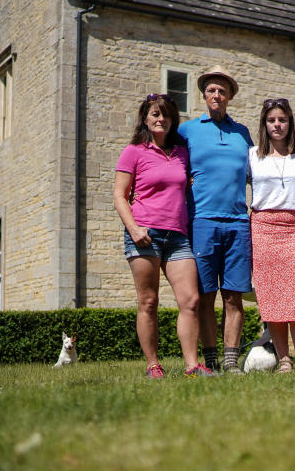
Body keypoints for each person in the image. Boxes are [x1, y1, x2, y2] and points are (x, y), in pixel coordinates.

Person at [113, 94, 214, 378]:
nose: (161, 119)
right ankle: (152, 365)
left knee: (191, 300)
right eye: (155, 114)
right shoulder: (133, 151)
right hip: (144, 233)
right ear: (145, 118)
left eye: (166, 115)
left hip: (178, 237)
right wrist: (134, 229)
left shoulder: (181, 152)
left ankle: (193, 366)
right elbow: (120, 196)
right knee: (148, 301)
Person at [178, 66, 253, 375]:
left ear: (230, 96)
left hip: (238, 223)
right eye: (211, 90)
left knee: (234, 296)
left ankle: (232, 361)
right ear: (204, 95)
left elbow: (257, 175)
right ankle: (211, 360)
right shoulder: (187, 131)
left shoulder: (243, 133)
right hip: (202, 222)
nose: (217, 95)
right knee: (206, 295)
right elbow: (170, 165)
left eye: (223, 91)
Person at [248, 98, 295, 373]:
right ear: (264, 124)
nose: (277, 125)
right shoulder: (253, 155)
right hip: (264, 229)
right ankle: (284, 360)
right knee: (272, 295)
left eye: (282, 120)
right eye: (271, 120)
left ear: (290, 123)